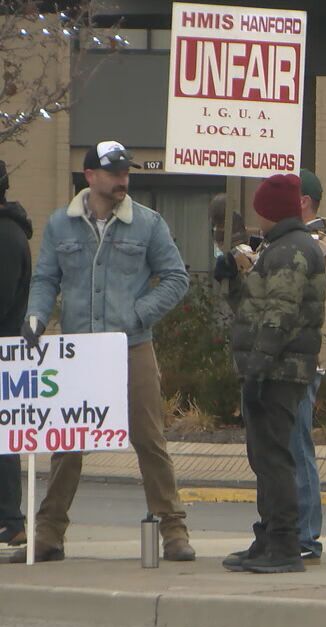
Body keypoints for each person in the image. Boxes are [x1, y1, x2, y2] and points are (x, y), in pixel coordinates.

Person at [18, 141, 192, 563]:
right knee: (67, 443)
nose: (122, 180)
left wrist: (138, 315)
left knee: (149, 438)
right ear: (90, 176)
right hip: (79, 352)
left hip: (132, 347)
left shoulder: (147, 223)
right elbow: (45, 278)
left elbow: (176, 277)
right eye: (114, 172)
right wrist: (36, 316)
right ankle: (49, 533)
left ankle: (173, 530)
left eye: (125, 172)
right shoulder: (60, 225)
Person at [220, 174, 326, 574]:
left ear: (272, 212)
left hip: (279, 372)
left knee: (276, 460)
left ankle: (284, 545)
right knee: (264, 459)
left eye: (260, 210)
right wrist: (231, 281)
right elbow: (255, 309)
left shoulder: (290, 251)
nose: (257, 218)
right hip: (272, 368)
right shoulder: (278, 248)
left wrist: (258, 369)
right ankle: (267, 538)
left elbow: (279, 315)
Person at [292, 169, 326, 563]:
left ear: (304, 201)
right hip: (283, 358)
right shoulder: (294, 240)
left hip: (300, 360)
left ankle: (307, 536)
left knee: (298, 446)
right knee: (285, 449)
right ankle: (289, 531)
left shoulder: (320, 243)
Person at [0, 160, 33, 547]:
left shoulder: (6, 236)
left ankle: (10, 519)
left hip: (4, 348)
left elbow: (3, 298)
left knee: (2, 440)